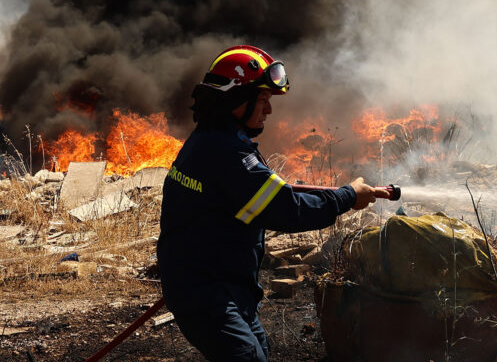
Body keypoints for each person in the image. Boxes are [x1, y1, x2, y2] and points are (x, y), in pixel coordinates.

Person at [157, 45, 386, 362]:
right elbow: (290, 211)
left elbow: (264, 196)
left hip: (220, 286)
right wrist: (349, 195)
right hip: (209, 295)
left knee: (259, 351)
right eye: (263, 99)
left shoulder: (207, 139)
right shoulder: (231, 156)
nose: (269, 110)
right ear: (236, 99)